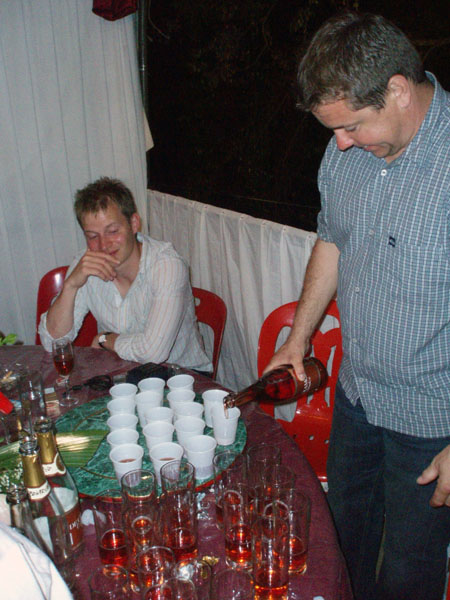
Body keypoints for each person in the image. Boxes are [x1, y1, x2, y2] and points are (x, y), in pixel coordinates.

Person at [265, 12, 450, 600]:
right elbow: (333, 240)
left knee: (408, 577)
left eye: (351, 126)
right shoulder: (345, 151)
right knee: (341, 545)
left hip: (432, 419)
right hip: (358, 396)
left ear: (398, 90)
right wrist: (297, 338)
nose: (340, 143)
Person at [39, 177, 212, 372]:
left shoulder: (167, 266)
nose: (103, 245)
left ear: (134, 223)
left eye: (112, 231)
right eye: (93, 236)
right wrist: (70, 286)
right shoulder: (86, 264)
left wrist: (106, 339)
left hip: (182, 377)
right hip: (121, 372)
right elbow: (52, 342)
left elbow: (153, 353)